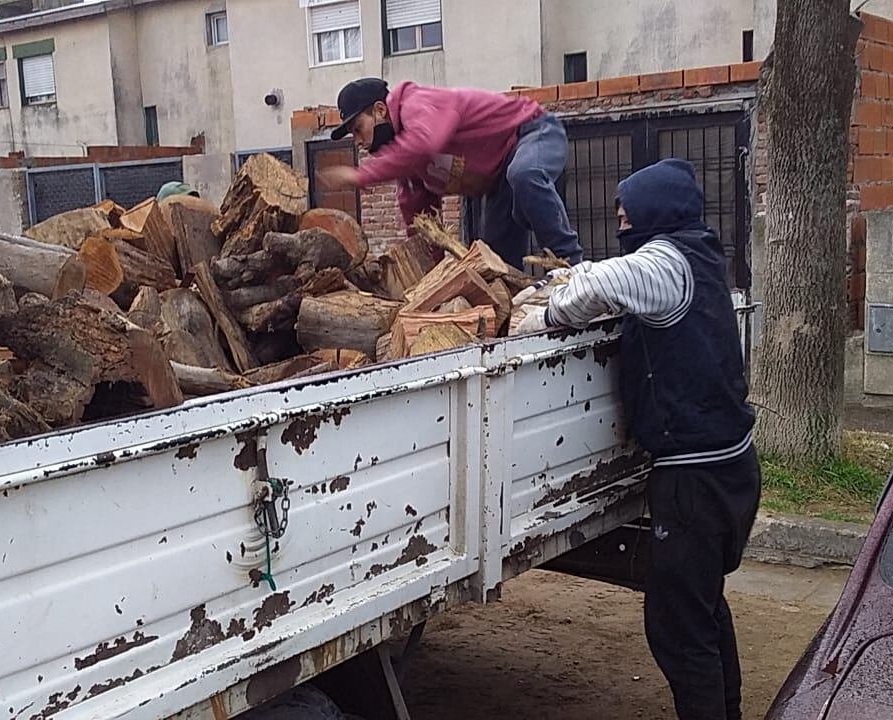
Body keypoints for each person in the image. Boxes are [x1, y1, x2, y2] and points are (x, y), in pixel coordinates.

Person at [517, 159, 760, 720]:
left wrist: (547, 315)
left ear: (655, 212)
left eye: (627, 210)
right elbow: (618, 269)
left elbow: (600, 282)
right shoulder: (696, 254)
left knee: (677, 628)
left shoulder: (664, 262)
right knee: (701, 609)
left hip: (695, 480)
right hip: (731, 467)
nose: (620, 219)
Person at [318, 77, 582, 269]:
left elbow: (424, 143)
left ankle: (572, 266)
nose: (358, 141)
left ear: (379, 110)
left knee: (525, 174)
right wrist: (431, 287)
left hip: (533, 132)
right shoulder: (410, 169)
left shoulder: (417, 103)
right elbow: (425, 227)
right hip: (498, 183)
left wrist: (361, 175)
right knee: (498, 270)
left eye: (358, 128)